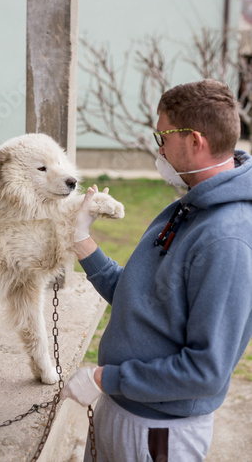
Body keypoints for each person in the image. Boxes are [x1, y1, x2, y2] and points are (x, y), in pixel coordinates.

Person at [61, 79, 252, 462]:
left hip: (159, 434)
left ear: (195, 141)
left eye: (162, 137)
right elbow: (142, 299)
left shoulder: (227, 239)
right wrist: (81, 240)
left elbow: (205, 371)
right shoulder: (189, 207)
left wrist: (104, 379)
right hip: (123, 408)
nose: (158, 148)